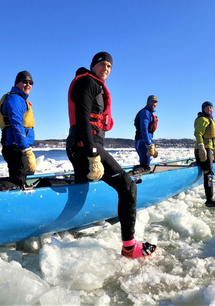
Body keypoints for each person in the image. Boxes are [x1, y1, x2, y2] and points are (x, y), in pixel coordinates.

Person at [66, 52, 157, 258]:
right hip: (85, 147)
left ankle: (67, 223)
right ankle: (130, 247)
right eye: (102, 64)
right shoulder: (88, 82)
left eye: (109, 66)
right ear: (93, 65)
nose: (106, 68)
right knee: (127, 185)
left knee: (82, 187)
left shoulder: (94, 84)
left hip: (81, 146)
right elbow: (82, 118)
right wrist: (92, 154)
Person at [0, 71, 36, 188]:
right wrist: (25, 149)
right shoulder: (15, 99)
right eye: (25, 82)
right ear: (17, 83)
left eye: (31, 83)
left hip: (17, 147)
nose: (28, 84)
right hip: (16, 147)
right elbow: (17, 124)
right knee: (18, 182)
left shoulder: (19, 99)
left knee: (20, 178)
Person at [194, 101, 215, 208]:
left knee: (209, 172)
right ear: (203, 109)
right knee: (208, 173)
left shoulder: (210, 120)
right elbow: (198, 133)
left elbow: (211, 140)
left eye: (211, 108)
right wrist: (201, 147)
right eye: (207, 108)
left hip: (209, 148)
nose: (209, 109)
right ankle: (209, 200)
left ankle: (209, 198)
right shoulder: (202, 120)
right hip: (203, 149)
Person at [132, 95, 159, 174]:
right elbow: (144, 129)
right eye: (151, 101)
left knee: (145, 165)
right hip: (143, 142)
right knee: (145, 166)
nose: (153, 104)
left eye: (155, 102)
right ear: (147, 102)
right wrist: (148, 144)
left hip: (144, 141)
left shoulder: (149, 113)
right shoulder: (145, 113)